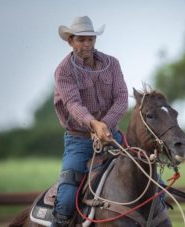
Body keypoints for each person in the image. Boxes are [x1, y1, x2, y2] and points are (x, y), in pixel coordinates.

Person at [52, 16, 128, 226]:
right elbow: (73, 104)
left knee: (153, 183)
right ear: (70, 41)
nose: (87, 44)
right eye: (81, 40)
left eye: (90, 39)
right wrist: (95, 124)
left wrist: (104, 124)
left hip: (113, 137)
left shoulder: (112, 64)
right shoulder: (64, 71)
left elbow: (122, 98)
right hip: (79, 141)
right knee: (66, 199)